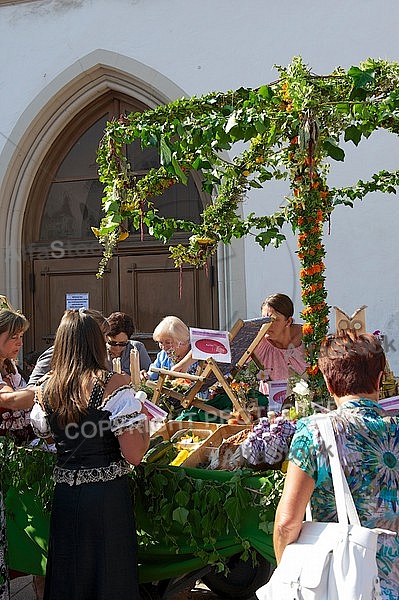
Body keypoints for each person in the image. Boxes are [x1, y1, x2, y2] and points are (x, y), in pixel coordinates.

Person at [29, 309, 150, 600]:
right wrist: (143, 420)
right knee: (108, 577)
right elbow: (133, 454)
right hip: (106, 499)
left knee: (71, 577)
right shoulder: (114, 384)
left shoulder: (47, 388)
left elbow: (43, 431)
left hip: (66, 497)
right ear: (97, 343)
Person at [272, 330, 399, 600]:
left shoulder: (315, 433)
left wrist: (290, 574)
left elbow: (287, 523)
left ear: (329, 384)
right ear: (379, 379)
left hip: (338, 582)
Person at [27, 309, 111, 386]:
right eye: (102, 334)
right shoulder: (58, 353)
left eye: (106, 335)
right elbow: (31, 389)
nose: (105, 340)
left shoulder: (101, 355)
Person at [254, 293, 308, 394]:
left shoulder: (307, 338)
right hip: (270, 406)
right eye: (264, 319)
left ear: (288, 322)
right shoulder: (259, 342)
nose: (267, 325)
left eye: (274, 320)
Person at [141, 316, 192, 381]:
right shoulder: (162, 355)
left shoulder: (198, 354)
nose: (164, 347)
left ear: (182, 341)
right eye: (161, 342)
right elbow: (152, 375)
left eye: (168, 342)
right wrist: (145, 376)